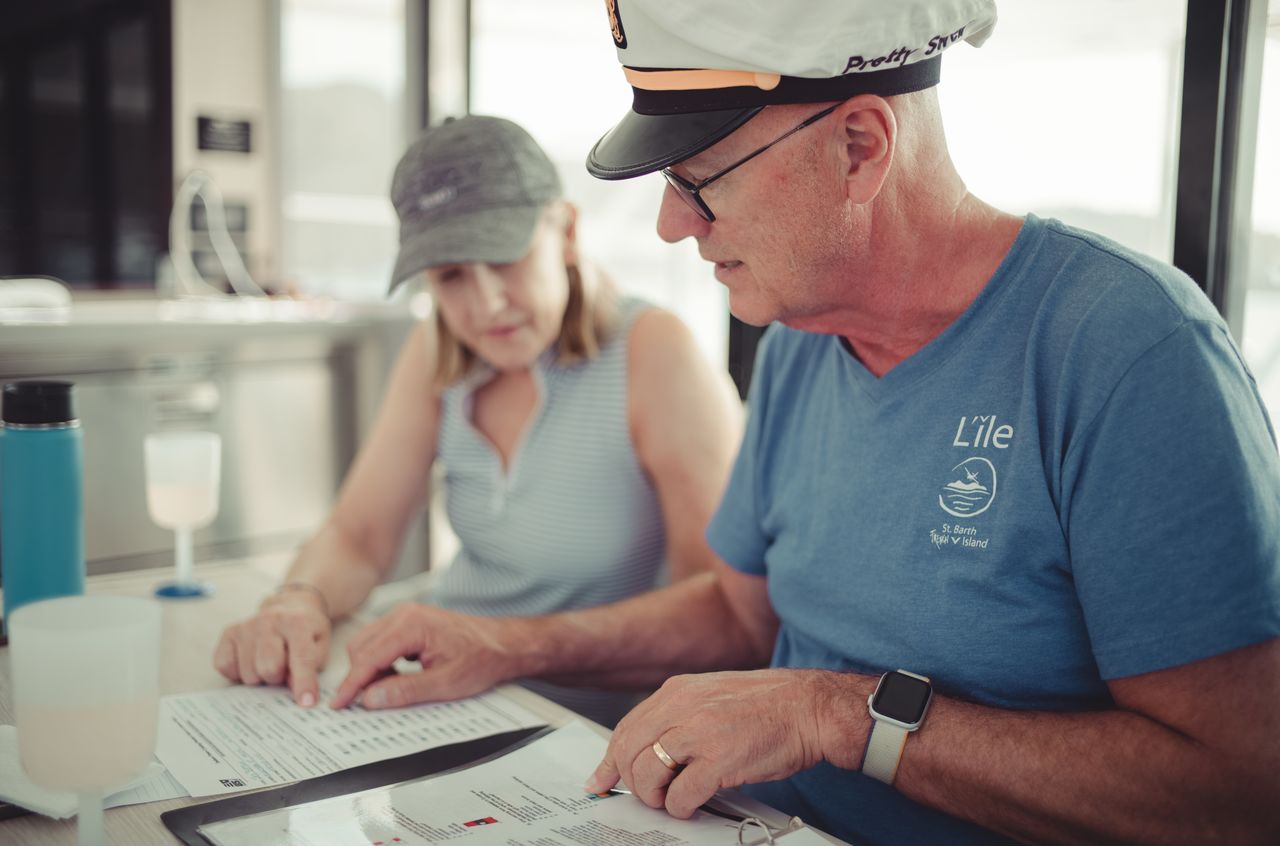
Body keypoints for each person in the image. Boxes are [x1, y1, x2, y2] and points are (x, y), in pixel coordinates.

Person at [318, 5, 1280, 844]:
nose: (669, 226)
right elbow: (740, 613)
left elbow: (1241, 794)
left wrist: (842, 716)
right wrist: (509, 645)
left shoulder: (1125, 351)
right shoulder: (799, 341)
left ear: (860, 145)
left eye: (700, 178)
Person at [212, 115, 743, 728]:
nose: (486, 304)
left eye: (504, 256)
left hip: (583, 723)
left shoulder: (655, 353)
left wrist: (504, 648)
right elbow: (360, 534)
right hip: (450, 699)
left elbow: (718, 616)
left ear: (565, 232)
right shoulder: (437, 350)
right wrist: (297, 600)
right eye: (451, 276)